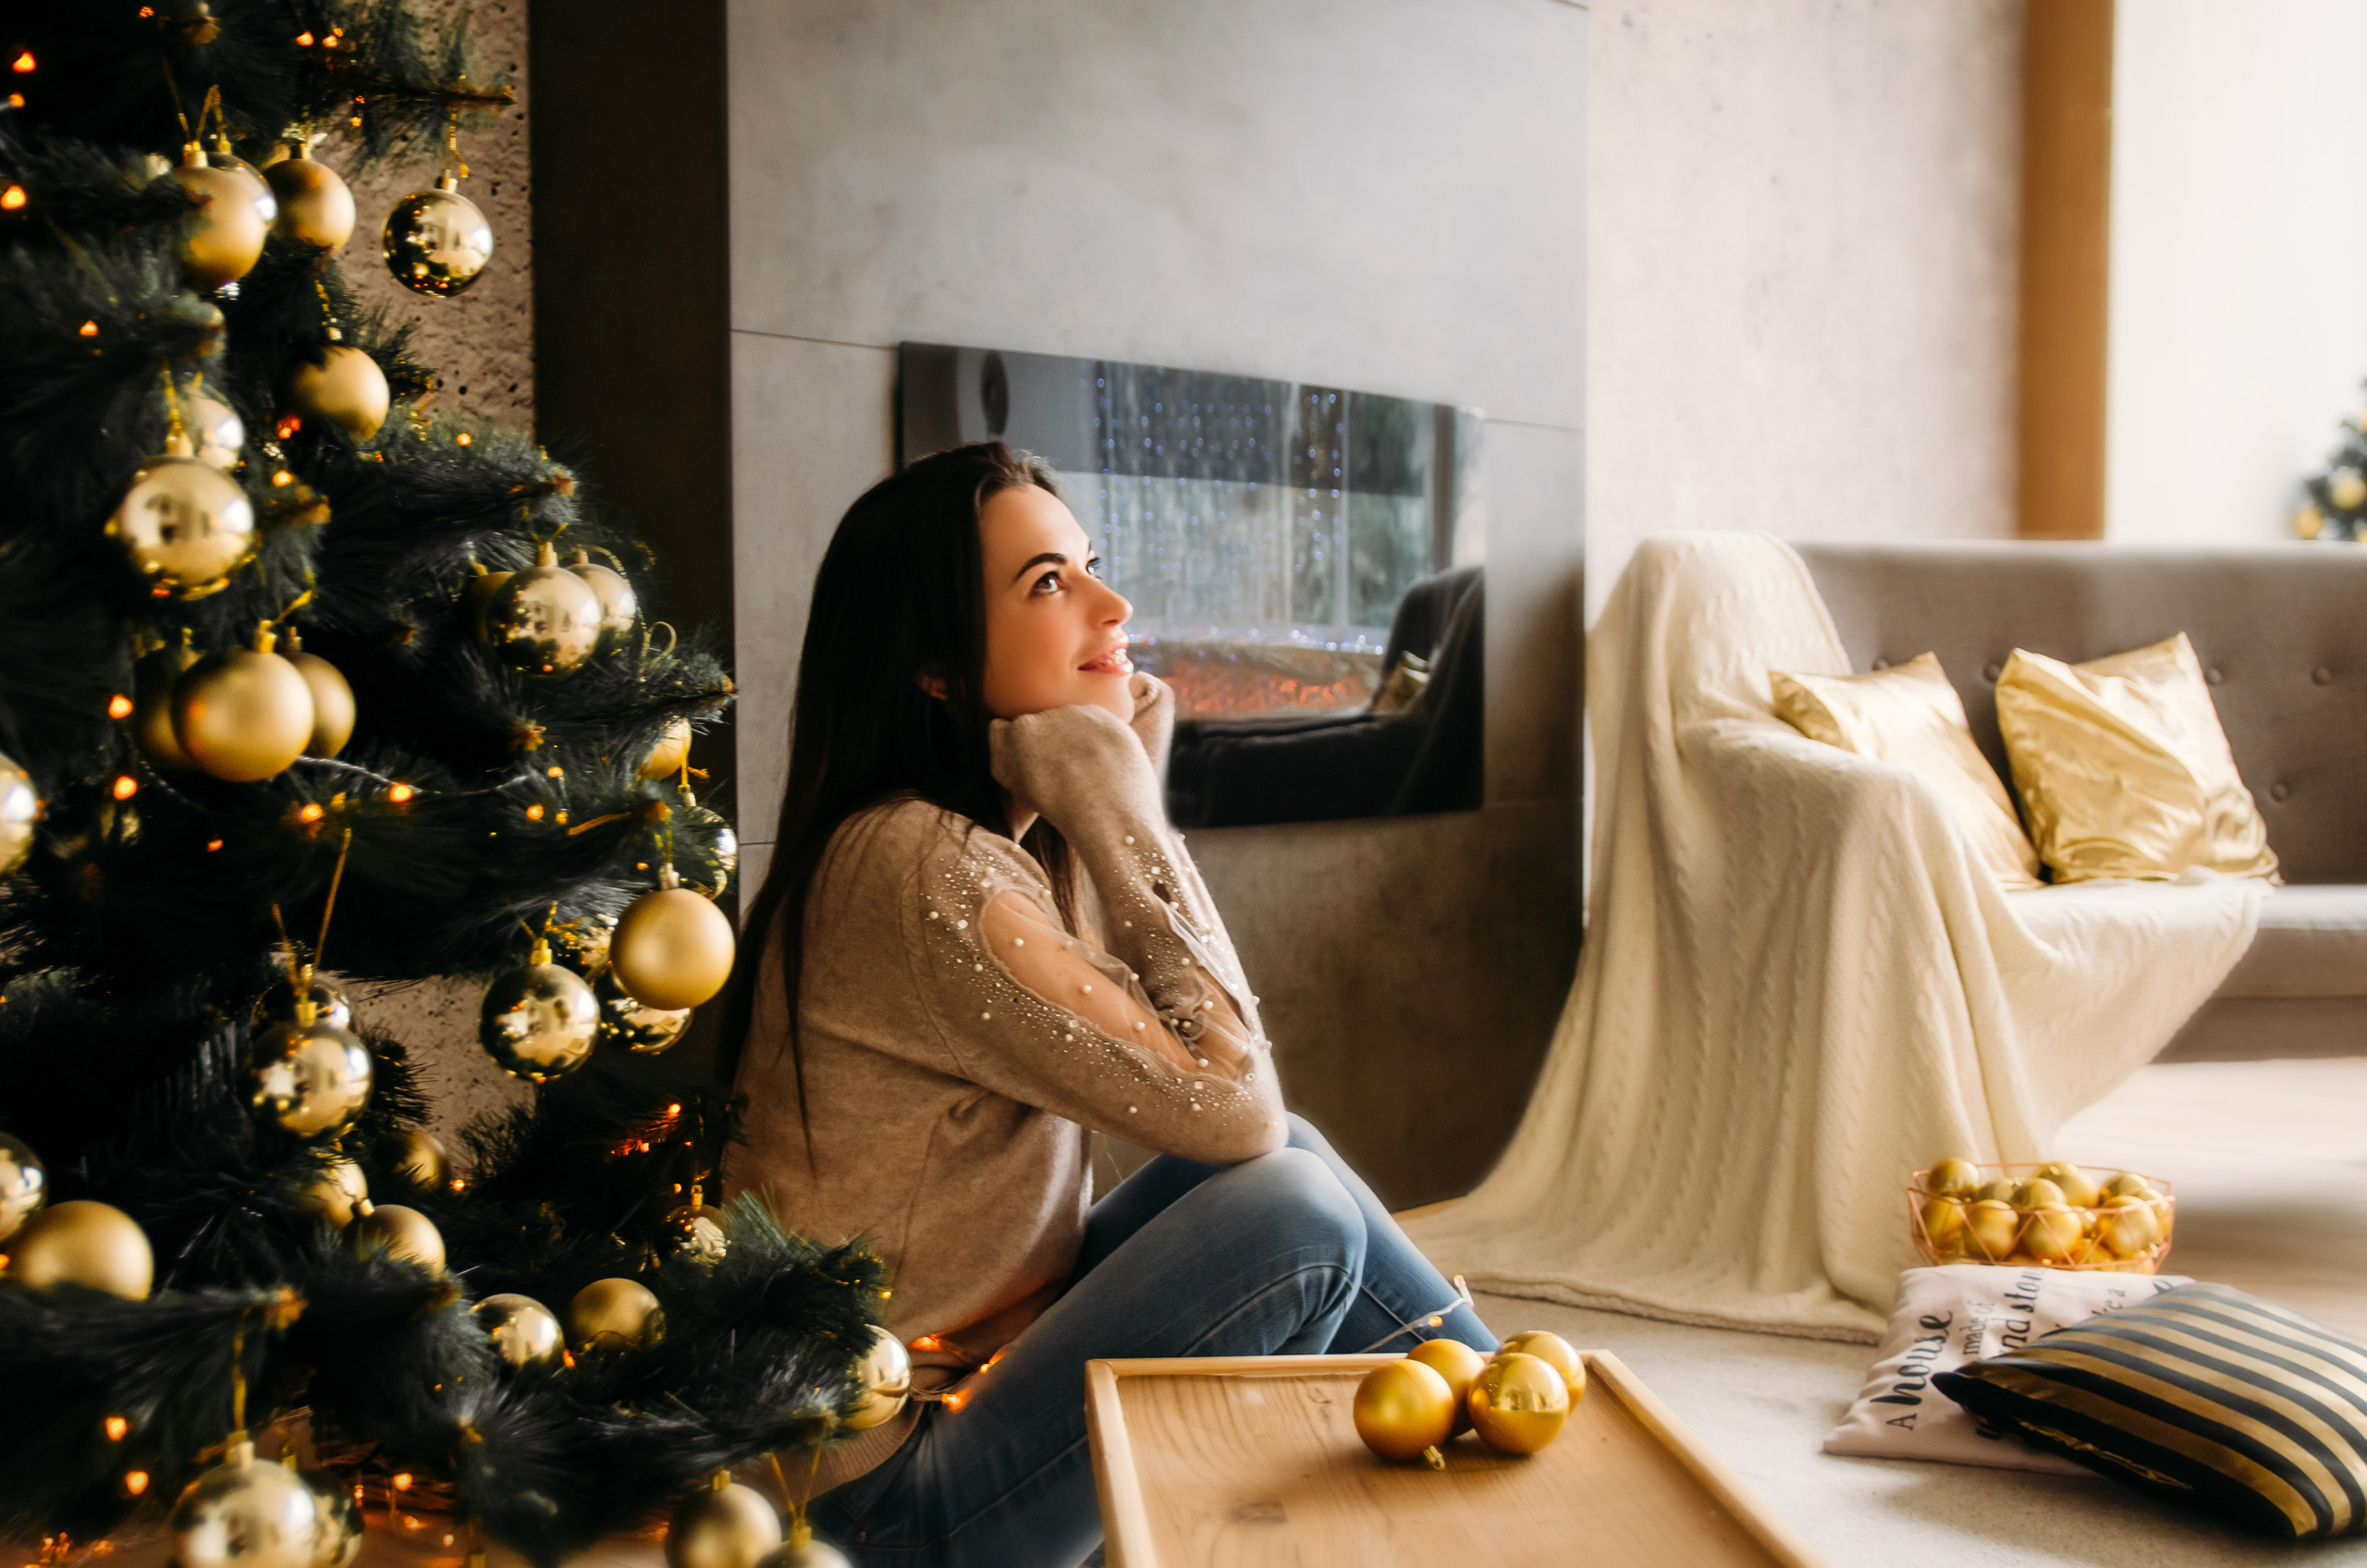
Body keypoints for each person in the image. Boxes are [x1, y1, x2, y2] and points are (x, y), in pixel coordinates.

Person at [720, 442, 1495, 1566]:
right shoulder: (921, 867)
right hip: (881, 1503)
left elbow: (1189, 1081)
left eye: (1090, 564)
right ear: (934, 663)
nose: (1112, 603)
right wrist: (1128, 809)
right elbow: (1231, 1103)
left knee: (1301, 1167)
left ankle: (1503, 1418)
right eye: (1049, 582)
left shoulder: (957, 841)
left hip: (950, 1401)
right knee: (1294, 1212)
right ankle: (1522, 1444)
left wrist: (1096, 807)